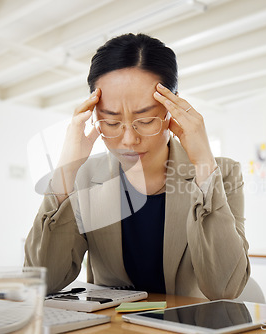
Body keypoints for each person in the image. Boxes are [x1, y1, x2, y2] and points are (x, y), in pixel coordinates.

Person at [24, 33, 250, 300]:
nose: (129, 139)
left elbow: (225, 288)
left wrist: (203, 163)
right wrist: (66, 169)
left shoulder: (221, 174)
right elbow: (41, 281)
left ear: (172, 108)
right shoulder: (83, 178)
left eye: (145, 120)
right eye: (111, 122)